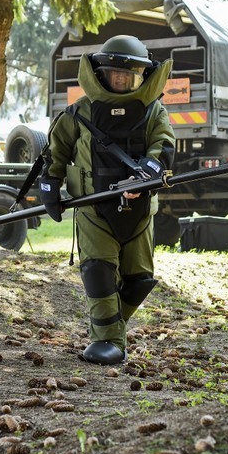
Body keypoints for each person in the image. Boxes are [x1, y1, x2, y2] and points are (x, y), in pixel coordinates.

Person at [39, 35, 176, 365]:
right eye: (115, 75)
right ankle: (107, 340)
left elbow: (164, 147)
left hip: (140, 210)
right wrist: (50, 189)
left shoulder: (154, 112)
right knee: (98, 271)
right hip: (92, 207)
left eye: (128, 76)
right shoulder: (78, 113)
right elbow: (55, 154)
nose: (121, 81)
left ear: (142, 76)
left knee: (139, 280)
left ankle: (111, 326)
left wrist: (148, 171)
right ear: (101, 74)